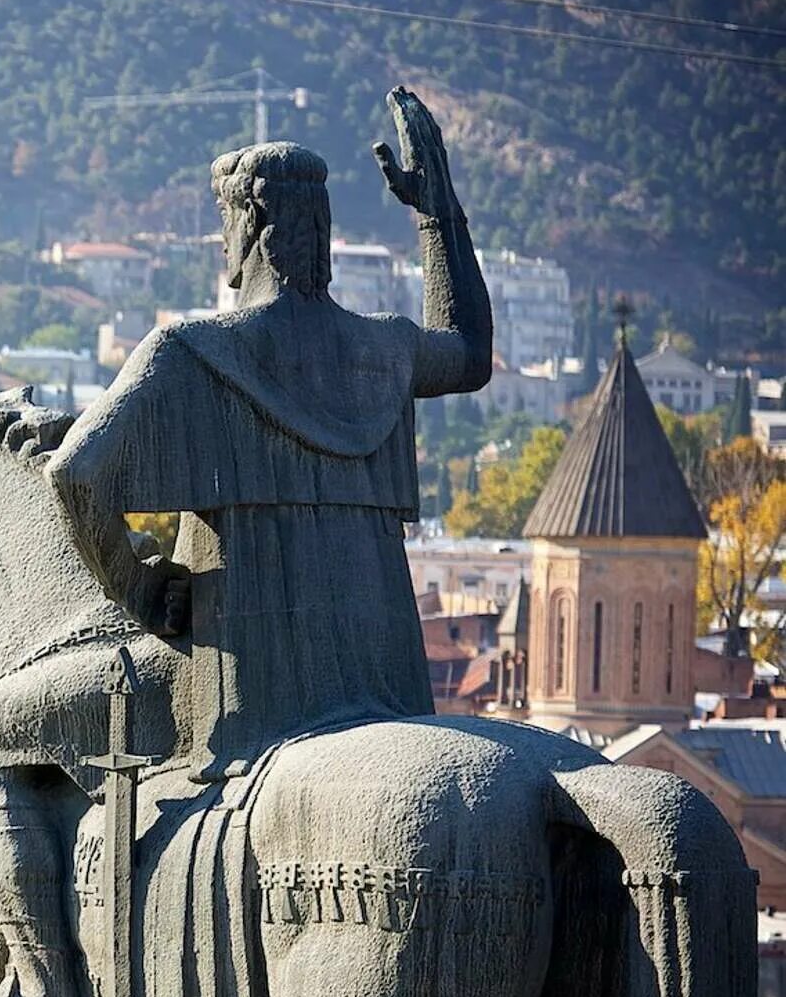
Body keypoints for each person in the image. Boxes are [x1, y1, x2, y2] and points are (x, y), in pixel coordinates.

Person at [47, 88, 492, 778]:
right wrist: (438, 215)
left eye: (224, 217)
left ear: (249, 220)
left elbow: (73, 475)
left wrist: (142, 591)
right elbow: (468, 351)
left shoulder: (187, 353)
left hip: (247, 716)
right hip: (390, 695)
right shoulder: (388, 349)